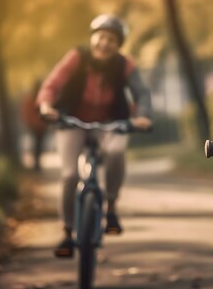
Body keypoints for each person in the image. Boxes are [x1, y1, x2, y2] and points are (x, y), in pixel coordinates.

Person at [37, 14, 152, 258]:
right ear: (93, 38)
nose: (105, 43)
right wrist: (46, 105)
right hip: (72, 121)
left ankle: (111, 206)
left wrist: (142, 116)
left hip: (111, 123)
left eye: (111, 39)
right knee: (69, 175)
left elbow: (142, 94)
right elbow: (52, 84)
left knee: (116, 151)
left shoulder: (125, 65)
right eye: (101, 37)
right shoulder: (77, 58)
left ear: (118, 45)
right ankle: (67, 234)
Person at [20, 80, 48, 172]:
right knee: (38, 144)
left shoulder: (34, 98)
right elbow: (27, 112)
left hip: (38, 125)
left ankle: (37, 163)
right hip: (38, 125)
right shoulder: (33, 99)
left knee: (38, 144)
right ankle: (36, 163)